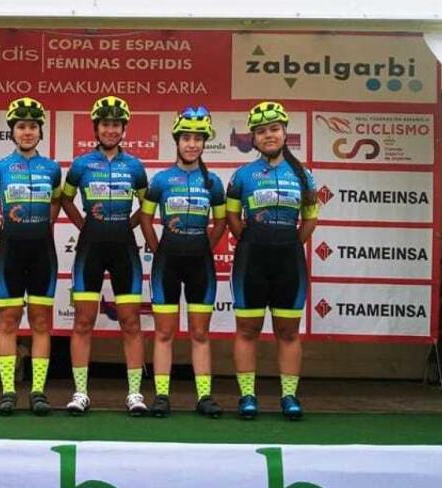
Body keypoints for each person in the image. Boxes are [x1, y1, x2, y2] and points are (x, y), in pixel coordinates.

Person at [225, 101, 318, 421]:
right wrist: (254, 240)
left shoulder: (303, 175)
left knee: (288, 331)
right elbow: (233, 218)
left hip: (288, 259)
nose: (268, 136)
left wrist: (289, 243)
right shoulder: (242, 175)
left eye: (274, 129)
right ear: (252, 137)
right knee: (247, 329)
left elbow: (309, 220)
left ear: (284, 132)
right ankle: (247, 395)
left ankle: (289, 396)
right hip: (252, 257)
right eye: (261, 131)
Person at [58, 96, 149, 415]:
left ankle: (135, 393)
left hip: (125, 247)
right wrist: (86, 225)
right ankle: (80, 392)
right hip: (90, 248)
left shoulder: (135, 166)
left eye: (116, 124)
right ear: (96, 128)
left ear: (124, 128)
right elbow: (66, 200)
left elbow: (147, 208)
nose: (111, 129)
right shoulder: (81, 164)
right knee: (83, 321)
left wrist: (129, 225)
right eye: (105, 124)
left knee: (131, 322)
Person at [0, 97, 62, 416]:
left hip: (42, 252)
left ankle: (38, 391)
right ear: (13, 131)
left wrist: (44, 225)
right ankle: (8, 391)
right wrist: (3, 232)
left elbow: (56, 203)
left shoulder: (52, 168)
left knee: (40, 322)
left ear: (40, 131)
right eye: (21, 127)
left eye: (33, 127)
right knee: (8, 322)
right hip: (11, 251)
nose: (27, 132)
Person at [140, 106, 226, 418]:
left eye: (198, 139)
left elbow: (221, 223)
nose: (192, 144)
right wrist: (159, 249)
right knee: (164, 332)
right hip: (167, 263)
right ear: (176, 141)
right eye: (186, 138)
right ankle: (162, 395)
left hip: (200, 264)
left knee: (201, 333)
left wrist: (204, 246)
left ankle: (204, 396)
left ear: (205, 143)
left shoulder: (213, 182)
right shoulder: (161, 180)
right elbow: (147, 219)